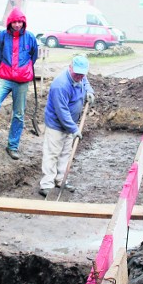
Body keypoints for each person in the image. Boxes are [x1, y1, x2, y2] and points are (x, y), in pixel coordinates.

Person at [0, 7, 38, 160]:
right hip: (5, 78)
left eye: (20, 22)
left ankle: (12, 146)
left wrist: (24, 68)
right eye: (14, 22)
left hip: (22, 81)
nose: (17, 25)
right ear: (9, 23)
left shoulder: (30, 37)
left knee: (18, 114)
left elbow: (34, 56)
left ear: (23, 22)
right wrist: (5, 65)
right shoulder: (3, 36)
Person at [39, 55, 95, 197]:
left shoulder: (81, 77)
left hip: (71, 123)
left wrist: (89, 91)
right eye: (77, 74)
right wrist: (74, 129)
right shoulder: (61, 84)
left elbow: (86, 82)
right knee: (52, 154)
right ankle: (46, 184)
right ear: (70, 68)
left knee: (65, 153)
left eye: (82, 74)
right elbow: (62, 111)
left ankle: (61, 180)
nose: (79, 77)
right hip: (56, 125)